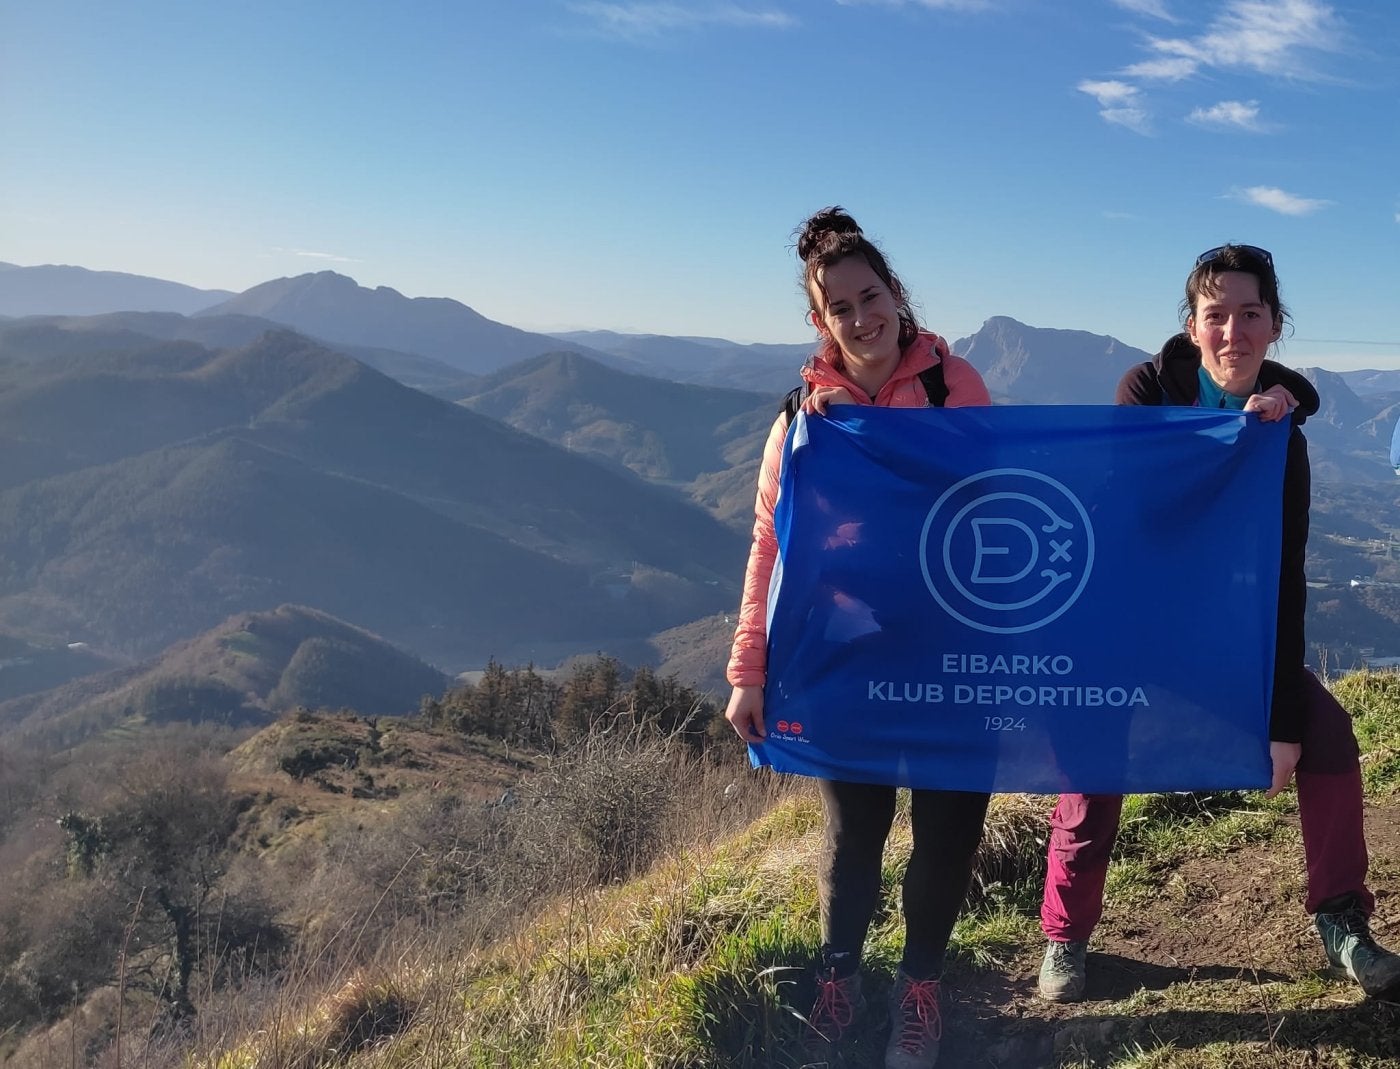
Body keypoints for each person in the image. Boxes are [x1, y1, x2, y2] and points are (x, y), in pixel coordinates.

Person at [1037, 243, 1400, 1005]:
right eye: (1216, 316)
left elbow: (1283, 580)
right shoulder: (1144, 392)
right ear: (1193, 326)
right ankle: (1064, 934)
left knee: (1328, 732)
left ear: (1274, 327)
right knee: (1092, 749)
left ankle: (1341, 919)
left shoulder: (1285, 438)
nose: (1232, 330)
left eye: (1250, 314)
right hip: (1133, 630)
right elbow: (1136, 514)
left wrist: (1279, 722)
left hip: (1228, 643)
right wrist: (1235, 442)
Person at [725, 206, 993, 1068]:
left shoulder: (957, 387)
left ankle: (920, 988)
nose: (860, 316)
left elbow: (996, 506)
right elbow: (772, 544)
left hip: (953, 646)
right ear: (819, 320)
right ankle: (839, 979)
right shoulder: (802, 416)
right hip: (846, 654)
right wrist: (748, 666)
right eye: (839, 307)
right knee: (854, 833)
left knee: (949, 830)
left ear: (894, 294)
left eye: (869, 295)